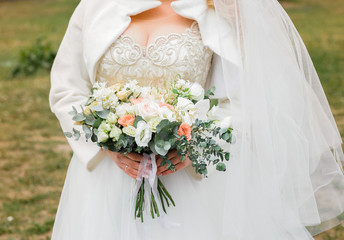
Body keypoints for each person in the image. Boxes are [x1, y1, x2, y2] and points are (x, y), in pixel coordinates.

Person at [49, 0, 344, 239]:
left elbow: (245, 99)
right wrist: (106, 144)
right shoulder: (94, 7)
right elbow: (67, 90)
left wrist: (195, 146)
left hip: (188, 177)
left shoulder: (218, 10)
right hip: (107, 178)